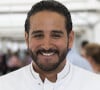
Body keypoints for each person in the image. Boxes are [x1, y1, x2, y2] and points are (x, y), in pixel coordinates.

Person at [0, 1, 100, 90]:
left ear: (70, 39)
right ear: (27, 39)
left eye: (56, 35)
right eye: (38, 35)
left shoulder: (94, 85)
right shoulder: (5, 85)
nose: (46, 46)